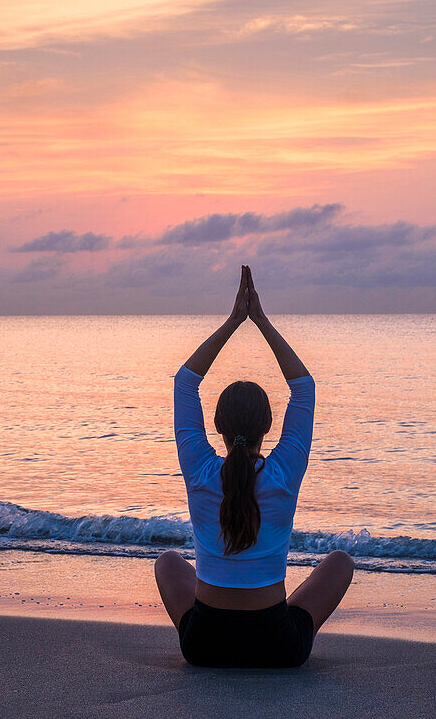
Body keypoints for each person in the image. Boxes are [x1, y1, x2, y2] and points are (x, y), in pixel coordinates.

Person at [154, 265, 354, 668]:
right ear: (270, 427)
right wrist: (260, 321)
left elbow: (184, 382)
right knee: (340, 562)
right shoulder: (283, 472)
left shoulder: (200, 472)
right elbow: (304, 386)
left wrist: (233, 322)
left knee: (167, 563)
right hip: (277, 647)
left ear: (216, 427)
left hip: (203, 645)